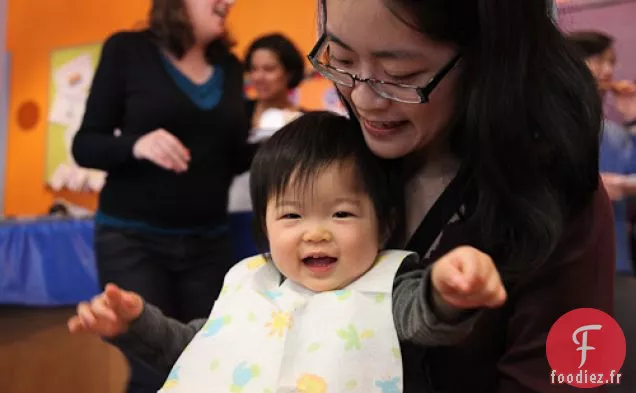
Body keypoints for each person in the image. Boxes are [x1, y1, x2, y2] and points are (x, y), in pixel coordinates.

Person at [68, 111, 507, 392]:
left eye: (341, 214)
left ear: (385, 223)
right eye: (292, 217)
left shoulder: (387, 287)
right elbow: (194, 349)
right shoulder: (251, 286)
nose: (315, 234)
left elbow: (426, 317)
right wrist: (133, 323)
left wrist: (446, 291)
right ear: (265, 227)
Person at [303, 0, 613, 392]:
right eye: (342, 59)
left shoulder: (558, 198)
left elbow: (575, 376)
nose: (363, 100)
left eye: (401, 73)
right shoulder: (338, 161)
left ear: (489, 57)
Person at [70, 0, 248, 392]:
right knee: (153, 373)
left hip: (209, 243)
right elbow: (85, 145)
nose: (229, 2)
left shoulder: (232, 66)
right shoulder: (127, 50)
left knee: (210, 362)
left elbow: (233, 159)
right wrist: (136, 145)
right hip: (133, 241)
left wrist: (284, 138)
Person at [567, 30, 636, 392]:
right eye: (602, 60)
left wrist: (633, 121)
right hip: (564, 268)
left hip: (617, 266)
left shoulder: (615, 131)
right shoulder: (552, 126)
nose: (610, 70)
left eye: (612, 61)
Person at [228, 33, 306, 258]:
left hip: (280, 221)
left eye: (269, 69)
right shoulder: (232, 114)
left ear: (289, 72)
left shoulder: (303, 122)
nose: (259, 77)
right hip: (225, 221)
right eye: (254, 69)